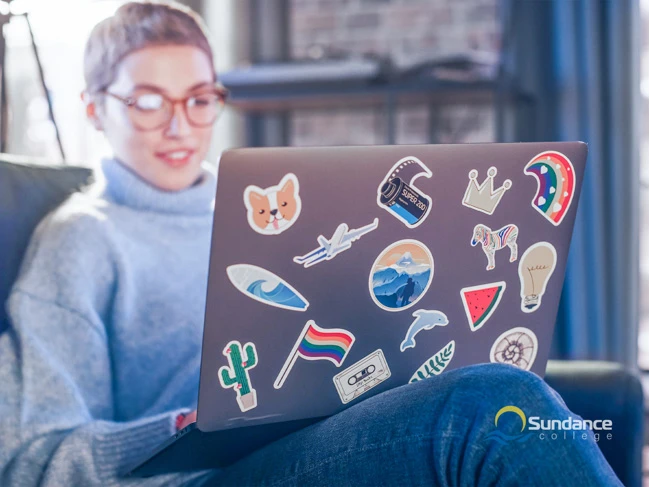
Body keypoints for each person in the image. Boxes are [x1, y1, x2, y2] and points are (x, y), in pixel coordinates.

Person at [0, 1, 624, 486]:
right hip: (202, 475)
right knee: (496, 404)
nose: (179, 126)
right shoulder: (80, 241)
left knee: (540, 403)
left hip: (318, 433)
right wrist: (177, 427)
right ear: (91, 110)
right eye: (146, 102)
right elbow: (32, 460)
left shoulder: (268, 217)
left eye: (199, 100)